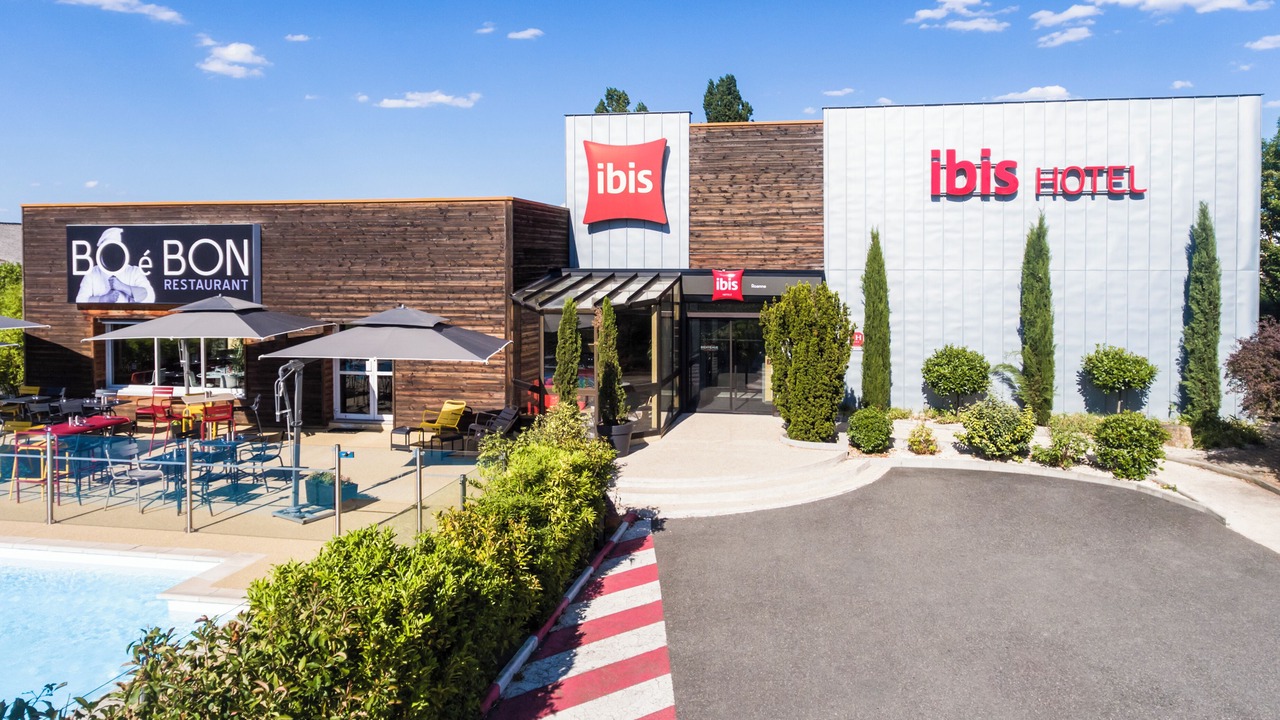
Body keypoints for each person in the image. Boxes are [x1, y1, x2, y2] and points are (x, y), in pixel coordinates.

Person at [75, 227, 155, 303]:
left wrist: (122, 286)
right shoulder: (92, 273)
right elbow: (80, 301)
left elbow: (150, 297)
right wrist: (103, 299)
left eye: (115, 251)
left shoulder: (134, 272)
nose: (112, 255)